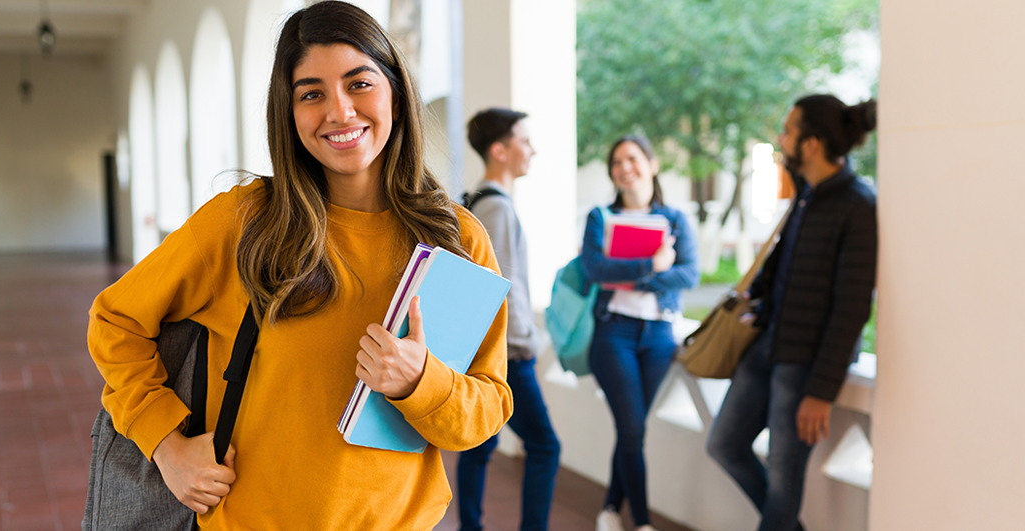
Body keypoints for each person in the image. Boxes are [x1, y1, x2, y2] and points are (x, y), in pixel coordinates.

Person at [87, 2, 513, 529]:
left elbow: (487, 407)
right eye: (311, 93)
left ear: (397, 97)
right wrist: (167, 444)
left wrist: (419, 381)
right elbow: (115, 321)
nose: (339, 111)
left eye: (359, 84)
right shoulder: (245, 223)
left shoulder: (456, 239)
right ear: (289, 114)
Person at [705, 95, 878, 531]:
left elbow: (853, 307)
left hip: (806, 365)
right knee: (724, 444)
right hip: (767, 343)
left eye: (788, 131)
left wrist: (821, 391)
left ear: (813, 143)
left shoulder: (858, 205)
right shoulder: (807, 195)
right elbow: (784, 264)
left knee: (784, 483)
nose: (781, 140)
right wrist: (759, 304)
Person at [579, 134, 700, 531]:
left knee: (633, 430)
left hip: (660, 337)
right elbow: (595, 269)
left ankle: (611, 508)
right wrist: (650, 265)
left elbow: (689, 274)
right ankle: (644, 523)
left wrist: (639, 277)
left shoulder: (675, 219)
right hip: (615, 334)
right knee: (631, 428)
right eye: (616, 162)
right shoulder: (601, 217)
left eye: (632, 158)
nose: (624, 167)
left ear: (652, 164)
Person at [456, 108, 561, 531]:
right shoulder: (497, 208)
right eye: (524, 140)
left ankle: (470, 526)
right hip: (509, 352)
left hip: (490, 348)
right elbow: (501, 286)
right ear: (499, 151)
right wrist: (523, 342)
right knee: (545, 446)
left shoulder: (477, 202)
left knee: (481, 446)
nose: (532, 149)